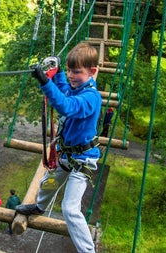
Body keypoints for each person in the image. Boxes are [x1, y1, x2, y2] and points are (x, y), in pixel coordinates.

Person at [16, 42, 102, 253]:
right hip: (69, 154)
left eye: (77, 72)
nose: (73, 76)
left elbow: (66, 105)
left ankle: (88, 251)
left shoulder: (91, 97)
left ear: (93, 72)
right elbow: (64, 90)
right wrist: (60, 73)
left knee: (69, 208)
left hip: (84, 161)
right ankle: (39, 207)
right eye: (71, 71)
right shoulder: (77, 87)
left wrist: (45, 82)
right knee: (48, 182)